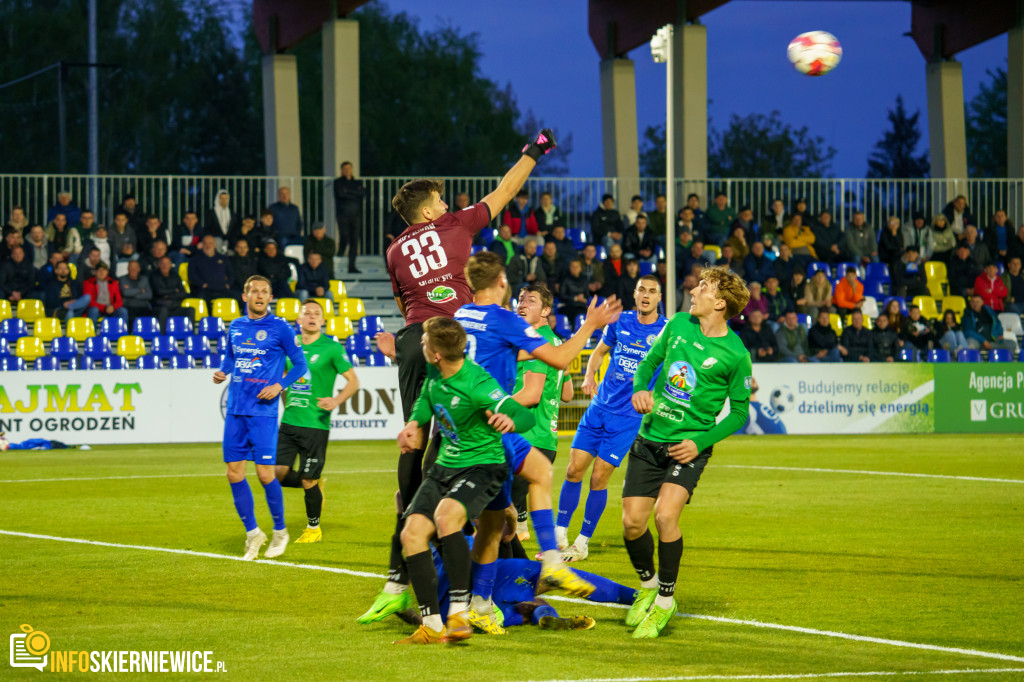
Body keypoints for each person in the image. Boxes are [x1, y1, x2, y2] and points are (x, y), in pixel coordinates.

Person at [361, 129, 559, 625]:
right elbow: (507, 191)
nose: (447, 204)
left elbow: (408, 307)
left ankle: (399, 569)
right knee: (466, 443)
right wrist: (534, 151)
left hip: (414, 340)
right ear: (429, 212)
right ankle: (471, 566)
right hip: (453, 337)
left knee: (415, 442)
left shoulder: (392, 252)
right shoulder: (452, 226)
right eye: (441, 200)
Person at [452, 252, 620, 630]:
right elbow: (559, 360)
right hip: (491, 431)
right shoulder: (505, 320)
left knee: (495, 523)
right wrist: (590, 325)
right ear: (500, 283)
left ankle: (476, 604)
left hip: (463, 426)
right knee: (530, 484)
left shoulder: (462, 314)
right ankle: (550, 564)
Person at [624, 266, 751, 638]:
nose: (693, 291)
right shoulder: (678, 323)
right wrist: (639, 389)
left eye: (703, 287)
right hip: (650, 437)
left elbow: (740, 412)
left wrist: (700, 441)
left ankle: (665, 600)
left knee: (665, 516)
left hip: (688, 447)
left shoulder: (736, 354)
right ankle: (647, 586)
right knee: (632, 524)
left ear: (720, 302)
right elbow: (649, 362)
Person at [391, 316, 535, 645]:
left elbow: (524, 414)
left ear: (437, 353)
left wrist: (510, 420)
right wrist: (413, 424)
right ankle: (431, 625)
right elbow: (426, 401)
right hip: (447, 465)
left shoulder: (478, 382)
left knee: (445, 518)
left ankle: (459, 614)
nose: (422, 345)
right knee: (411, 532)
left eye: (425, 342)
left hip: (484, 466)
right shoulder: (435, 375)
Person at [556, 275, 666, 562]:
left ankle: (582, 542)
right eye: (642, 289)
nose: (646, 295)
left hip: (628, 417)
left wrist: (658, 398)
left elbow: (675, 373)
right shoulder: (620, 321)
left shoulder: (666, 333)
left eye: (652, 291)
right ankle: (558, 534)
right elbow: (599, 351)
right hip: (598, 408)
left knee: (598, 477)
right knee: (572, 471)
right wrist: (590, 375)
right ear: (635, 293)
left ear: (658, 298)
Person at [213, 276, 309, 560]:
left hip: (263, 413)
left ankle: (280, 531)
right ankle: (254, 533)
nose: (259, 295)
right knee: (233, 473)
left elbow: (300, 364)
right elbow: (230, 358)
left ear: (270, 298)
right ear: (245, 296)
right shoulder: (236, 326)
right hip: (235, 410)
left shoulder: (280, 327)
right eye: (254, 291)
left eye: (264, 291)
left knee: (265, 474)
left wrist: (280, 385)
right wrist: (222, 371)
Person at [275, 300, 359, 543]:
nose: (311, 317)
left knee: (307, 477)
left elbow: (353, 381)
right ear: (299, 320)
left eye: (316, 314)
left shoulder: (331, 348)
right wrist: (286, 403)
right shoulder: (290, 347)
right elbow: (282, 379)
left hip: (316, 424)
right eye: (306, 313)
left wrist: (336, 400)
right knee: (275, 473)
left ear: (323, 321)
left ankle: (314, 529)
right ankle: (313, 484)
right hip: (290, 422)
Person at [509, 284, 574, 541]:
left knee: (495, 510)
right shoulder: (557, 343)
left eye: (531, 300)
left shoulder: (537, 343)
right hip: (547, 436)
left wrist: (492, 408)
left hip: (529, 435)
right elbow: (567, 394)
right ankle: (543, 546)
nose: (522, 304)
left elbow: (531, 394)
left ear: (546, 310)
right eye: (521, 299)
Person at [333, 161, 365, 274]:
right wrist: (355, 193)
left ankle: (352, 266)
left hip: (355, 215)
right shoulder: (337, 182)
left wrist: (349, 192)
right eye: (345, 168)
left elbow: (362, 194)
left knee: (354, 241)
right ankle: (337, 260)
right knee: (344, 238)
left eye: (349, 168)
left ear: (352, 169)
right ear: (341, 170)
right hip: (343, 215)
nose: (347, 170)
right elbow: (341, 194)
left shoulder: (357, 182)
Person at [190, 235, 238, 304]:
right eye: (205, 243)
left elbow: (231, 274)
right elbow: (192, 275)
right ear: (202, 245)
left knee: (237, 297)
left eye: (210, 243)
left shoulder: (223, 258)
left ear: (214, 244)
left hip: (222, 288)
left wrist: (228, 284)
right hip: (205, 290)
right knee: (200, 301)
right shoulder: (195, 259)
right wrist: (202, 284)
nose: (208, 246)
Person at [151, 255, 196, 326]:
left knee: (190, 310)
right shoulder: (153, 275)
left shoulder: (175, 275)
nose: (165, 266)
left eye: (167, 263)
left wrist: (167, 295)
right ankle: (162, 336)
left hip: (175, 306)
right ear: (159, 265)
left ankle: (189, 334)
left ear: (170, 265)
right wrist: (174, 290)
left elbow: (183, 293)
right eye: (163, 263)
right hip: (160, 306)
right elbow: (158, 291)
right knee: (163, 311)